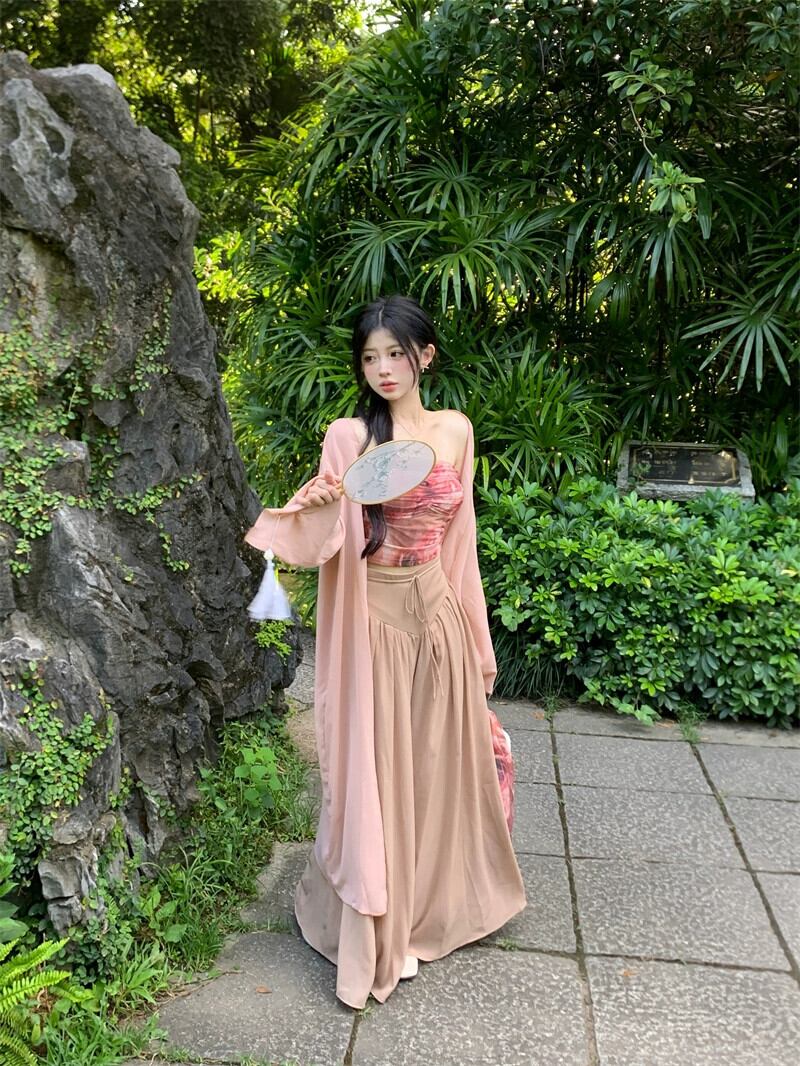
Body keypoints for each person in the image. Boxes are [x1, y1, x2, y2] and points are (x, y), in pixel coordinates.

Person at [243, 294, 526, 1009]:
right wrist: (316, 505)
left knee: (434, 767)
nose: (383, 369)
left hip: (438, 615)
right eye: (370, 357)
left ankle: (430, 908)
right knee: (379, 773)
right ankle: (378, 927)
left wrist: (476, 638)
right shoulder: (349, 436)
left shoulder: (456, 430)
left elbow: (461, 541)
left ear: (424, 355)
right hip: (374, 622)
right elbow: (323, 543)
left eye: (396, 353)